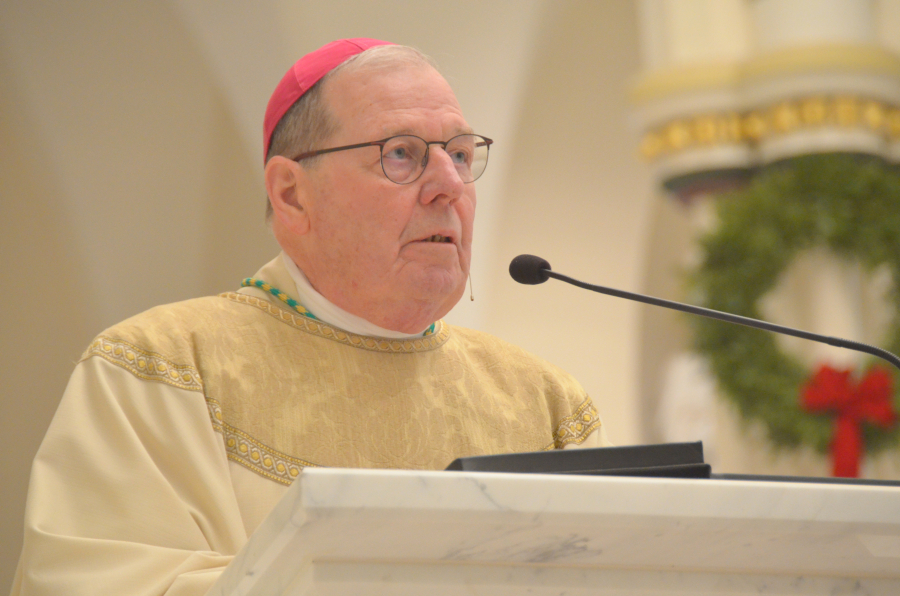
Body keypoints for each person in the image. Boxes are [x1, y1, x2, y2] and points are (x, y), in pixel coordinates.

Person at [12, 38, 609, 596]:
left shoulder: (546, 405)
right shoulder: (160, 368)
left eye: (459, 153)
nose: (449, 186)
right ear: (292, 194)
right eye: (401, 154)